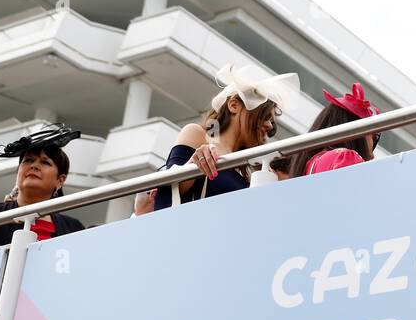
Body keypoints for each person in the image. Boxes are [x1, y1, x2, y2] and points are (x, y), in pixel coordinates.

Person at [138, 63, 299, 211]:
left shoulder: (250, 167)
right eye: (264, 116)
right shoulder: (199, 136)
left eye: (272, 122)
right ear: (234, 105)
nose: (269, 126)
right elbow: (168, 190)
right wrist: (194, 164)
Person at [0, 125, 86, 256]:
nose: (34, 166)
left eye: (45, 162)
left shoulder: (74, 228)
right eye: (28, 160)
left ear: (60, 180)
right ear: (18, 172)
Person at [288, 83, 384, 176]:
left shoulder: (308, 165)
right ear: (358, 132)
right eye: (374, 137)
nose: (372, 155)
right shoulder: (345, 158)